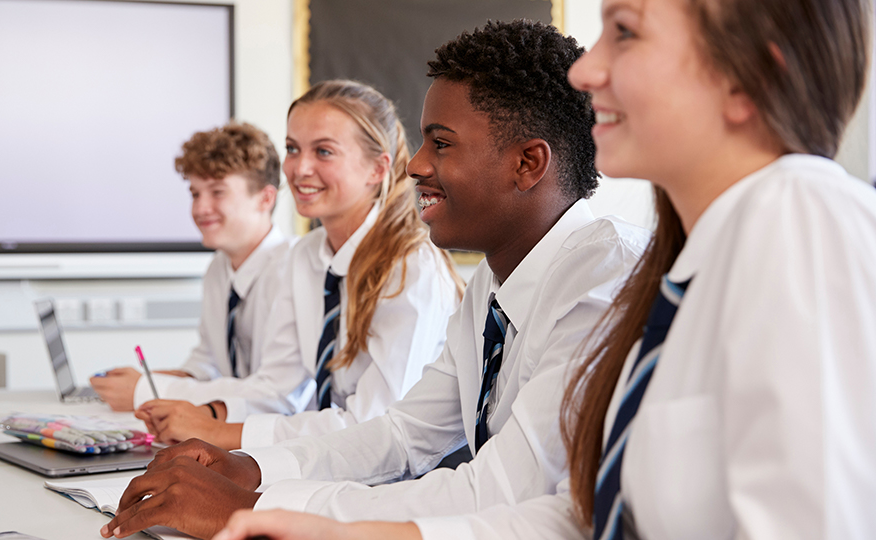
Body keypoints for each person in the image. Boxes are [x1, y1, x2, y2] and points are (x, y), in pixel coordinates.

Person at [214, 0, 876, 538]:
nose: (588, 72)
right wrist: (292, 509)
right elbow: (581, 512)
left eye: (624, 32)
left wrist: (285, 504)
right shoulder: (679, 270)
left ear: (746, 80)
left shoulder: (799, 211)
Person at [100, 20, 650, 540]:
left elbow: (501, 491)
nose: (415, 166)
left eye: (442, 142)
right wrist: (250, 468)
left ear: (528, 163)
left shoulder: (604, 281)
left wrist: (257, 508)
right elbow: (403, 433)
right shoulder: (495, 279)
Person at [132, 79, 464, 450]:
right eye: (292, 148)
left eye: (323, 151)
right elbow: (278, 389)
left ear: (377, 169)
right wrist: (203, 415)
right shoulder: (305, 256)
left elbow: (374, 426)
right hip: (329, 461)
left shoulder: (410, 269)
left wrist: (218, 432)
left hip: (403, 477)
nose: (300, 168)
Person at [89, 122, 293, 412]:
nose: (200, 208)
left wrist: (151, 390)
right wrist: (149, 381)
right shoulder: (218, 269)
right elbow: (209, 362)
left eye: (217, 192)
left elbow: (272, 393)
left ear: (265, 198)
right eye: (195, 194)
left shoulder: (292, 271)